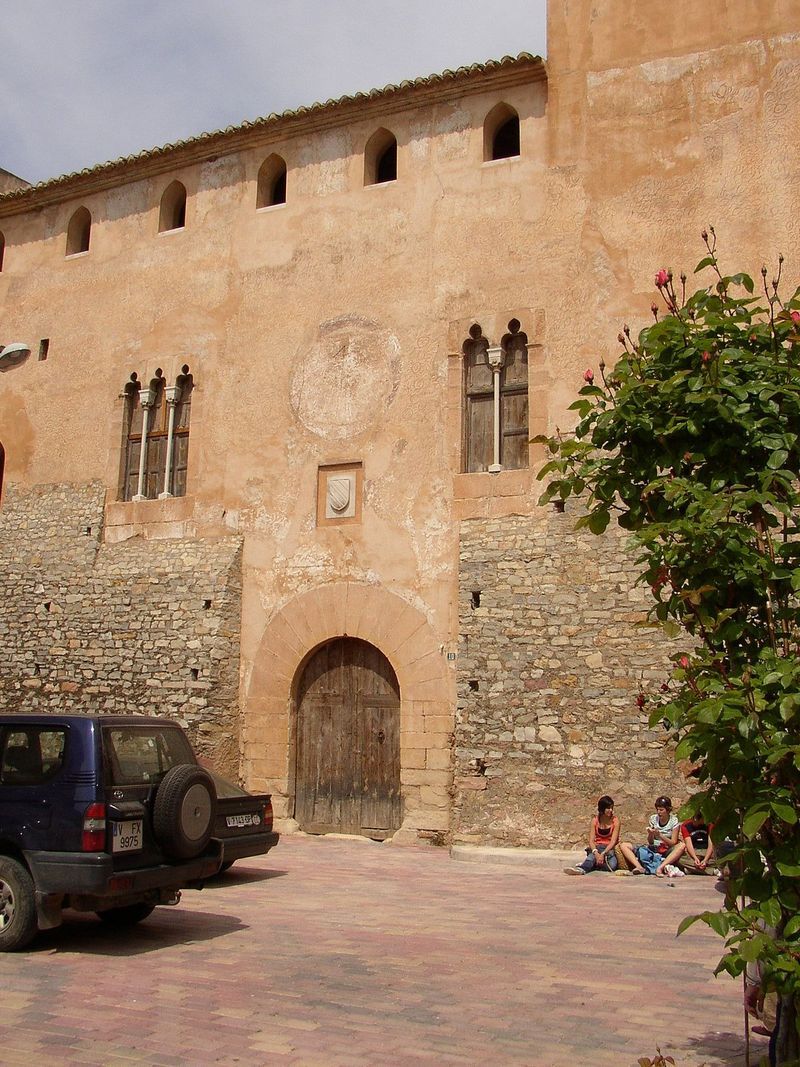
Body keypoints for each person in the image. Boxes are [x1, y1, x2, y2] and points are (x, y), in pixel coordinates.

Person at [617, 796, 679, 875]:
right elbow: (650, 842)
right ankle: (639, 867)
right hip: (654, 847)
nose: (659, 812)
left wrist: (660, 835)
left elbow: (673, 842)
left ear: (667, 810)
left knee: (682, 846)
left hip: (666, 849)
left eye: (661, 810)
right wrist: (651, 834)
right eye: (657, 810)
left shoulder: (674, 821)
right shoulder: (653, 819)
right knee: (624, 845)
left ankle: (660, 867)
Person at [564, 795, 620, 875]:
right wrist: (596, 853)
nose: (610, 810)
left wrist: (603, 853)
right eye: (608, 808)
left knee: (612, 865)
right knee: (592, 857)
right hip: (597, 847)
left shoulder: (615, 821)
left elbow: (613, 841)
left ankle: (592, 865)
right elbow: (591, 841)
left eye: (612, 808)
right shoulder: (595, 821)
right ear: (602, 808)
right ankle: (581, 870)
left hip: (609, 849)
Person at [657, 811, 716, 875]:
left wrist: (705, 860)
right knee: (679, 860)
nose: (694, 822)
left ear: (702, 819)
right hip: (694, 852)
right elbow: (688, 843)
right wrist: (695, 858)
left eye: (697, 820)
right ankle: (712, 871)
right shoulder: (685, 825)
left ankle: (691, 869)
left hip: (706, 852)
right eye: (693, 819)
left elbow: (711, 844)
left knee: (717, 861)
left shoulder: (710, 825)